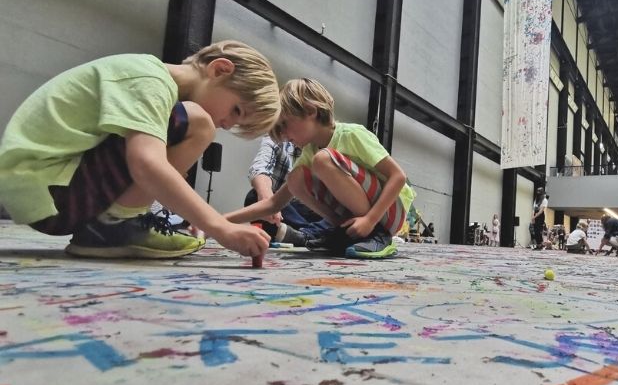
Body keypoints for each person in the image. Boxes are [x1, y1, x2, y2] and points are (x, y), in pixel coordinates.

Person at [0, 40, 278, 259]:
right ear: (219, 69)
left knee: (176, 132)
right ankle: (113, 227)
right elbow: (146, 164)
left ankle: (119, 224)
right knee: (198, 122)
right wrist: (219, 226)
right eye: (236, 110)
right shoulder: (151, 80)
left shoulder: (146, 76)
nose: (226, 123)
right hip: (50, 191)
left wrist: (190, 216)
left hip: (43, 188)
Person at [226, 78, 415, 259]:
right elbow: (274, 203)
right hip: (362, 214)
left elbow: (398, 176)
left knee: (322, 160)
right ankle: (340, 230)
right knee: (295, 178)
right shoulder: (309, 151)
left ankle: (376, 235)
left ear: (310, 111)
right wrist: (219, 221)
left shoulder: (351, 135)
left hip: (388, 212)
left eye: (285, 124)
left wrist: (370, 220)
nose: (283, 134)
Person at [246, 136, 332, 245]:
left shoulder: (329, 140)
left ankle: (307, 234)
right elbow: (259, 167)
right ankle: (315, 234)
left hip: (322, 211)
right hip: (288, 210)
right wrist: (267, 198)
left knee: (344, 212)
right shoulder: (278, 137)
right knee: (253, 197)